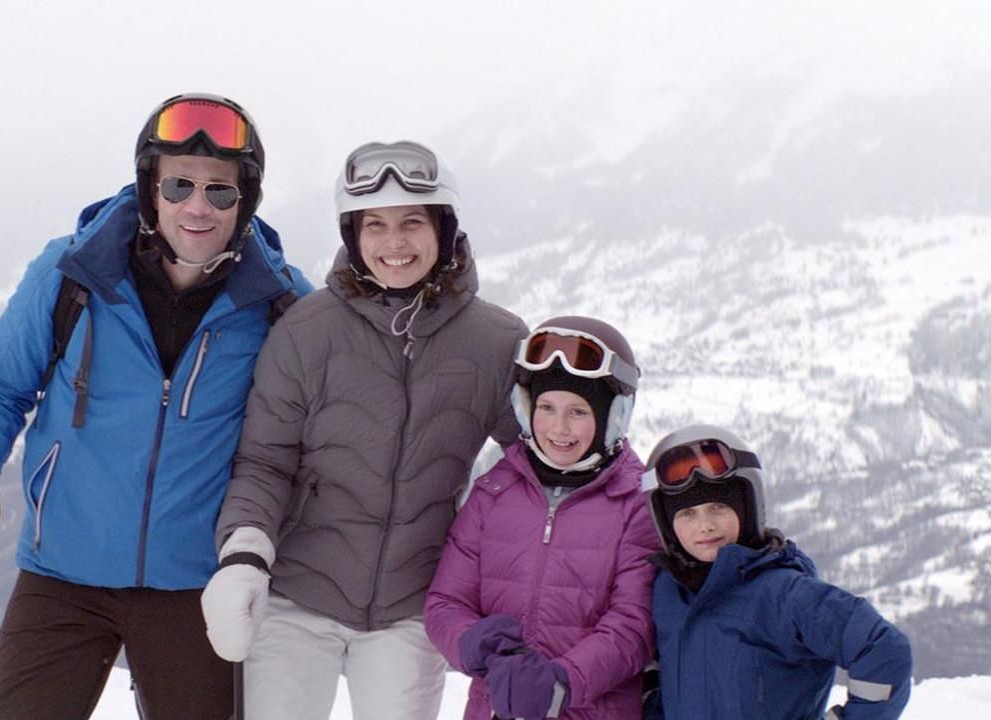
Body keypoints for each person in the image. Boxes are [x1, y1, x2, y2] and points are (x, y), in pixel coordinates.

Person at [0, 92, 310, 720]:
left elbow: (312, 432)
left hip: (196, 583)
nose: (197, 207)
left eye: (220, 191)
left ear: (245, 200)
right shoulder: (73, 273)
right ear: (151, 188)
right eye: (178, 185)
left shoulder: (279, 306)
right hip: (64, 571)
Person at [200, 140, 528, 719]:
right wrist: (245, 554)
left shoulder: (496, 342)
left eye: (412, 222)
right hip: (298, 594)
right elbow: (265, 461)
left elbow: (532, 467)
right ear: (352, 235)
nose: (393, 243)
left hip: (412, 605)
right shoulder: (307, 331)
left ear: (444, 228)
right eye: (374, 225)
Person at [425, 316, 661, 720]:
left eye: (578, 412)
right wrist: (476, 644)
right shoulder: (494, 492)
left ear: (613, 417)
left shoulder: (636, 505)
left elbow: (633, 625)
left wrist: (559, 682)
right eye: (547, 408)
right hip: (495, 708)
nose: (559, 428)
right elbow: (446, 602)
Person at [640, 424, 912, 720]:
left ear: (748, 508)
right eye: (687, 513)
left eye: (718, 507)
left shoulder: (785, 594)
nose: (705, 525)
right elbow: (657, 667)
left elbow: (882, 649)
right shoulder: (667, 589)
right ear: (666, 525)